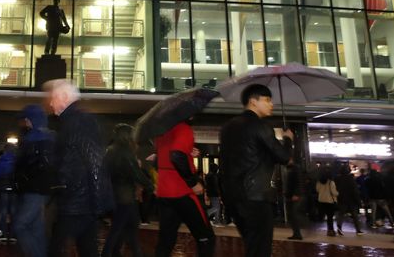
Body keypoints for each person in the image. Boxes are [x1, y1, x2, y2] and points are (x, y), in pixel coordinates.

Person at [219, 84, 293, 257]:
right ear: (253, 102)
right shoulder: (260, 126)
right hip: (257, 197)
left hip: (233, 198)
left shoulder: (228, 127)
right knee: (260, 248)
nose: (271, 104)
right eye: (267, 100)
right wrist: (288, 139)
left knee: (252, 244)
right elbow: (283, 156)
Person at [44, 79, 111, 257]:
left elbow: (94, 160)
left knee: (56, 249)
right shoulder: (74, 121)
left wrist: (96, 203)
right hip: (79, 201)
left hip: (77, 202)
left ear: (65, 97)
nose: (50, 103)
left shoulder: (79, 121)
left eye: (54, 98)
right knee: (87, 249)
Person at [154, 119, 214, 257]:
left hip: (164, 192)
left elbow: (160, 159)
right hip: (182, 191)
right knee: (206, 238)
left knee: (166, 240)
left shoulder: (161, 131)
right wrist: (193, 182)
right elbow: (176, 156)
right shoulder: (183, 128)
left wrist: (188, 152)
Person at [102, 123, 153, 257]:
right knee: (120, 228)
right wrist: (150, 186)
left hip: (114, 194)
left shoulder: (109, 150)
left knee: (127, 226)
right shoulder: (125, 152)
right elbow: (136, 173)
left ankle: (121, 252)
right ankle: (108, 253)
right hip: (125, 195)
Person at [12, 104, 56, 257]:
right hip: (42, 189)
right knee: (36, 228)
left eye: (27, 119)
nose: (25, 122)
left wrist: (20, 180)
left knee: (20, 225)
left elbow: (27, 165)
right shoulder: (49, 137)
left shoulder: (34, 138)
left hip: (34, 189)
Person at [0, 143, 17, 240]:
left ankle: (0, 232)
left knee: (2, 209)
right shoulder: (16, 159)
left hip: (3, 186)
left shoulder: (1, 159)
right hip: (14, 187)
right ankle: (13, 233)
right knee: (13, 210)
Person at [334, 165, 363, 235]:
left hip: (341, 199)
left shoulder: (337, 179)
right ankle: (358, 230)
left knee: (341, 214)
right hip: (351, 200)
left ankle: (339, 228)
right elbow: (355, 191)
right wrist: (359, 201)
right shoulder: (351, 179)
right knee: (355, 215)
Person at [284, 158, 305, 240]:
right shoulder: (293, 169)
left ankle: (297, 234)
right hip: (292, 195)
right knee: (293, 214)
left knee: (294, 214)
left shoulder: (295, 169)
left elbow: (298, 182)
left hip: (295, 195)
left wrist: (296, 193)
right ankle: (296, 233)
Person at [315, 168, 338, 236]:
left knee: (325, 216)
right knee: (330, 217)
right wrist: (338, 193)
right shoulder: (331, 182)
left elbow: (317, 190)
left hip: (321, 200)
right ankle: (330, 231)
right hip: (329, 201)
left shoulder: (318, 182)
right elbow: (334, 192)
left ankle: (329, 230)